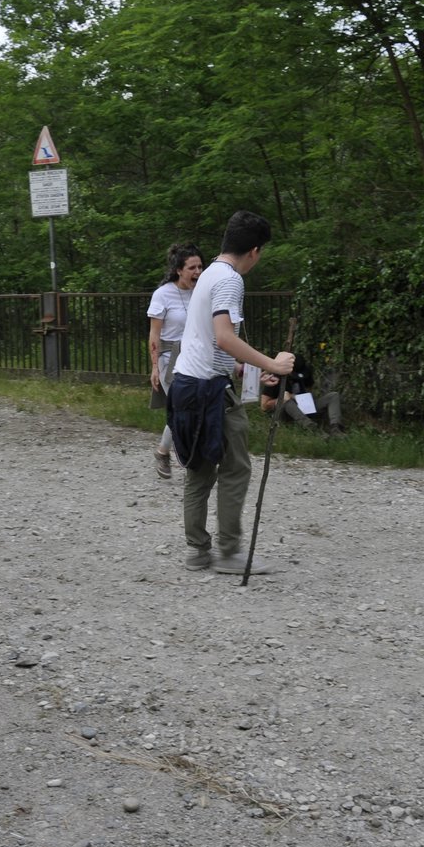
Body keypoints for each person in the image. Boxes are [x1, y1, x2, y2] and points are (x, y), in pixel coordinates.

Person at [168, 210, 293, 575]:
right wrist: (272, 363)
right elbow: (225, 335)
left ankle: (197, 552)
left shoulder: (208, 275)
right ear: (254, 251)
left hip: (186, 384)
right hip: (210, 391)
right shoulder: (230, 280)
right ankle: (230, 553)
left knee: (199, 469)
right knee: (236, 467)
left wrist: (244, 367)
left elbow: (212, 342)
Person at [147, 244, 203, 478]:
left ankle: (165, 451)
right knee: (182, 407)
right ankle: (177, 454)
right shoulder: (163, 294)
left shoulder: (201, 291)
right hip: (169, 358)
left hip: (194, 357)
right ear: (179, 270)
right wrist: (154, 367)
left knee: (195, 407)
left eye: (200, 266)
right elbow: (154, 334)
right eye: (192, 267)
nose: (198, 271)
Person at [260, 352, 344, 434]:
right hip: (285, 411)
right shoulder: (275, 378)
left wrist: (306, 399)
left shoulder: (305, 373)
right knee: (287, 402)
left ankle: (335, 428)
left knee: (333, 396)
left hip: (304, 406)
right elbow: (264, 406)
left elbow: (309, 387)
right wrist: (280, 399)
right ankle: (311, 428)